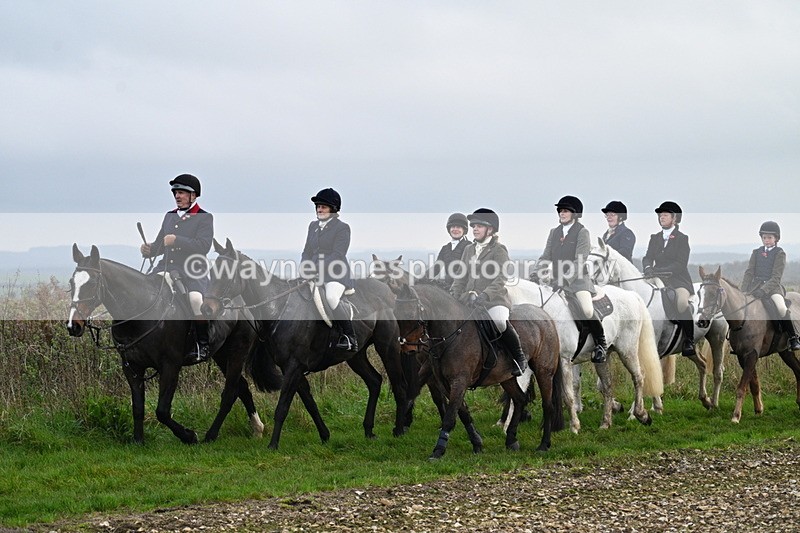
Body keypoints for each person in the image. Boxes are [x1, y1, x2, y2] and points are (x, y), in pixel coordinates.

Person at [140, 174, 214, 362]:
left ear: (193, 195)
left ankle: (202, 345)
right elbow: (159, 245)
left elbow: (204, 246)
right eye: (176, 193)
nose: (177, 196)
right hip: (165, 268)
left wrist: (177, 240)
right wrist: (149, 250)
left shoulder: (204, 218)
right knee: (144, 290)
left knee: (195, 299)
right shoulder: (169, 216)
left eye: (181, 193)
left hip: (191, 270)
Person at [449, 208, 528, 376]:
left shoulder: (499, 250)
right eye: (473, 226)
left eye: (479, 226)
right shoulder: (469, 249)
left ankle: (519, 357)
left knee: (499, 322)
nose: (475, 229)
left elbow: (501, 278)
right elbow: (460, 277)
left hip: (493, 299)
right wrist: (454, 294)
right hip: (468, 299)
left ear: (490, 229)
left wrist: (484, 295)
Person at [536, 195, 607, 363]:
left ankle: (601, 344)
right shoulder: (554, 232)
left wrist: (566, 279)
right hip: (555, 280)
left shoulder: (582, 232)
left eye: (566, 211)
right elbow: (546, 256)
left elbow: (579, 260)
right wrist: (536, 271)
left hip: (578, 281)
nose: (562, 213)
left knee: (587, 310)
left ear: (574, 214)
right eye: (560, 210)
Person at [301, 188, 358, 352]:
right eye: (318, 206)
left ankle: (349, 337)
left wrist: (317, 268)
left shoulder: (342, 228)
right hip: (313, 272)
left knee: (331, 298)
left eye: (323, 206)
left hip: (336, 274)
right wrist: (305, 265)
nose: (319, 209)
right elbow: (307, 251)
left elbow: (338, 254)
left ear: (333, 209)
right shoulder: (313, 226)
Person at [641, 201, 696, 356]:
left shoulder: (682, 238)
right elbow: (647, 257)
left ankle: (689, 340)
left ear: (675, 218)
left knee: (681, 303)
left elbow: (680, 264)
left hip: (678, 280)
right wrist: (647, 268)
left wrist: (658, 270)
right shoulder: (655, 238)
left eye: (665, 215)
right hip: (656, 278)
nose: (661, 217)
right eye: (660, 215)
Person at [741, 221, 800, 351]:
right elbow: (749, 272)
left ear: (776, 238)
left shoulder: (780, 253)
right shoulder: (756, 252)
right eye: (764, 238)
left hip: (773, 288)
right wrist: (743, 290)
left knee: (781, 308)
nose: (766, 240)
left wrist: (763, 290)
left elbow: (776, 277)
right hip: (755, 287)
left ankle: (793, 337)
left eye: (769, 238)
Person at [431, 212, 471, 288]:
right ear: (449, 229)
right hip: (448, 286)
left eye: (458, 227)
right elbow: (437, 267)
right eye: (453, 227)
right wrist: (421, 279)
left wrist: (449, 280)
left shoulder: (469, 246)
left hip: (463, 287)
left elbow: (466, 270)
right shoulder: (445, 248)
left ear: (464, 230)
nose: (455, 229)